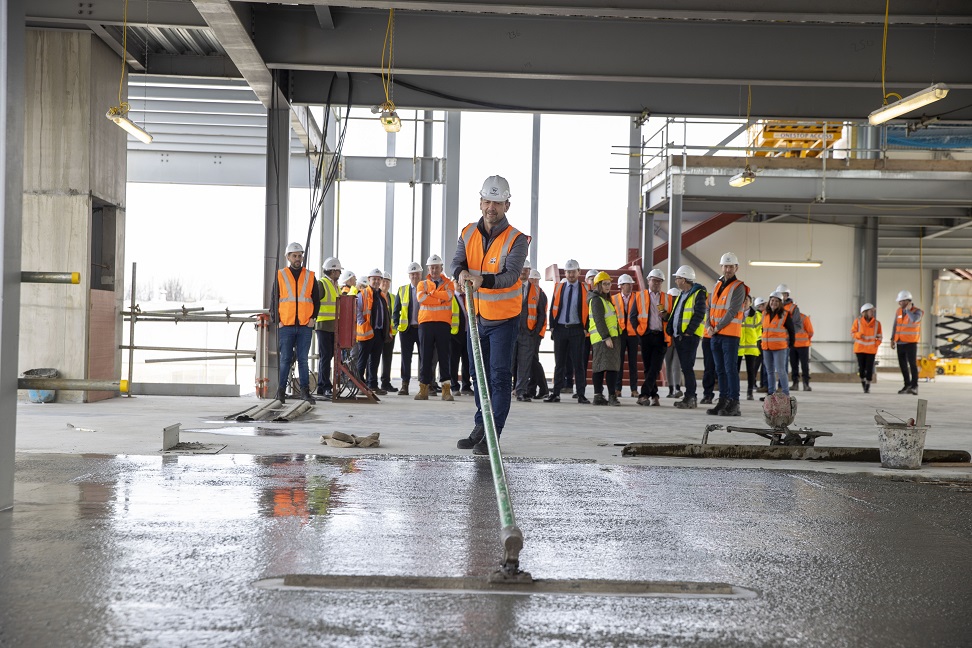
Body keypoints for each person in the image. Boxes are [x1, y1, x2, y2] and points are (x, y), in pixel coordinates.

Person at [452, 175, 528, 455]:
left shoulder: (517, 239)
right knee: (476, 376)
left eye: (497, 202)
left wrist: (482, 280)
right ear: (480, 202)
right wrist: (460, 273)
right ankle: (481, 426)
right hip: (476, 318)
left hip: (503, 321)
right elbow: (456, 262)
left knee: (497, 377)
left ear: (507, 205)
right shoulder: (468, 232)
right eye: (487, 201)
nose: (490, 207)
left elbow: (510, 276)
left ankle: (493, 434)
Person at [270, 242, 321, 404]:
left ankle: (305, 392)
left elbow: (316, 300)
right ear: (288, 257)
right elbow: (274, 299)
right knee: (285, 359)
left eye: (300, 256)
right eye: (294, 256)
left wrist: (313, 318)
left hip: (305, 325)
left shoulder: (310, 276)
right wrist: (277, 321)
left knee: (303, 360)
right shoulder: (281, 275)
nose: (297, 259)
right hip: (286, 324)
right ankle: (281, 392)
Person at [705, 252, 748, 417]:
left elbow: (732, 311)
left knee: (730, 369)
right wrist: (709, 325)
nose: (728, 269)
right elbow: (709, 307)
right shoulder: (717, 285)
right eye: (725, 266)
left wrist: (717, 327)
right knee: (720, 370)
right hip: (715, 334)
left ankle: (734, 403)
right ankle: (723, 401)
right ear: (721, 267)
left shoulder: (739, 287)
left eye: (731, 266)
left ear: (736, 267)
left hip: (729, 335)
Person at [544, 259, 590, 404]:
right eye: (568, 272)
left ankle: (581, 394)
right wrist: (552, 327)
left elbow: (589, 310)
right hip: (560, 329)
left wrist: (585, 329)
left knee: (579, 364)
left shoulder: (585, 289)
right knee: (559, 363)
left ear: (579, 272)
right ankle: (555, 393)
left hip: (577, 329)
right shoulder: (559, 288)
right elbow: (553, 308)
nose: (570, 275)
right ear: (565, 273)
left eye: (573, 272)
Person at [415, 254, 456, 401]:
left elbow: (450, 296)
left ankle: (446, 390)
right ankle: (423, 389)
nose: (434, 270)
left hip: (443, 324)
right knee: (425, 357)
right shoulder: (422, 284)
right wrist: (440, 298)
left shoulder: (449, 283)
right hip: (426, 323)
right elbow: (421, 298)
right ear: (428, 268)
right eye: (432, 267)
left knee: (444, 356)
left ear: (441, 268)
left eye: (436, 267)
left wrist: (432, 295)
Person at [667, 265, 707, 409]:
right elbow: (678, 314)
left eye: (677, 278)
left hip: (688, 337)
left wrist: (689, 331)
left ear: (683, 279)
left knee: (687, 368)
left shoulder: (698, 293)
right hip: (680, 336)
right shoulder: (683, 294)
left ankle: (691, 397)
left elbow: (699, 314)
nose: (676, 280)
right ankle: (689, 396)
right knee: (685, 367)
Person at [637, 268, 670, 407]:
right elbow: (633, 316)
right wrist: (639, 331)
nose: (656, 283)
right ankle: (654, 395)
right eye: (654, 280)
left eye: (659, 281)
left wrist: (666, 315)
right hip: (646, 335)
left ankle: (644, 394)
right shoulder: (640, 296)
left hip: (661, 336)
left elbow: (671, 318)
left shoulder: (667, 298)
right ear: (648, 281)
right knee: (648, 367)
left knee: (655, 368)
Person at [588, 271, 622, 406]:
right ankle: (606, 396)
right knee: (601, 368)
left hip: (610, 338)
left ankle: (601, 396)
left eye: (609, 284)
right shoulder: (596, 300)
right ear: (598, 285)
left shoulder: (605, 300)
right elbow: (599, 320)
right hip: (603, 339)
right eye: (605, 284)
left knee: (610, 367)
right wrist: (606, 337)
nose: (608, 286)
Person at [355, 268, 391, 394]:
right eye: (374, 279)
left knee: (375, 361)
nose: (376, 281)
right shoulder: (363, 294)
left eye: (378, 279)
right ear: (369, 280)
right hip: (366, 332)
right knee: (363, 360)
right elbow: (357, 310)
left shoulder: (382, 296)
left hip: (379, 333)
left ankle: (373, 385)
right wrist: (362, 323)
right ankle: (359, 386)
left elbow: (386, 315)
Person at [514, 259, 545, 402]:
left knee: (525, 363)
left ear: (529, 271)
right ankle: (504, 389)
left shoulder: (538, 291)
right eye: (522, 268)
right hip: (510, 331)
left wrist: (536, 332)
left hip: (528, 332)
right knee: (507, 362)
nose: (524, 271)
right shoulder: (510, 286)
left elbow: (541, 314)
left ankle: (521, 391)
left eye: (526, 269)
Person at [392, 261, 423, 396]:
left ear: (420, 274)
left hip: (423, 329)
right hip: (406, 330)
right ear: (409, 276)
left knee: (424, 358)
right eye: (412, 274)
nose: (414, 276)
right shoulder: (402, 289)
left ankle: (425, 385)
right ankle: (405, 385)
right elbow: (396, 310)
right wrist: (395, 325)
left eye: (417, 274)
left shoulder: (426, 288)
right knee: (406, 358)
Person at [314, 256, 342, 399]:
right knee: (325, 356)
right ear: (332, 271)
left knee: (329, 356)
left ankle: (321, 386)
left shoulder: (335, 285)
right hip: (324, 325)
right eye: (338, 270)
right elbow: (316, 302)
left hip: (332, 326)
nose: (340, 273)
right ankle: (325, 386)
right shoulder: (322, 284)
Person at [612, 274, 643, 398]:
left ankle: (634, 389)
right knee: (618, 362)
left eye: (631, 284)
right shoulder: (614, 299)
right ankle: (617, 388)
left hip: (633, 334)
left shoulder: (637, 298)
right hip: (620, 333)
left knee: (633, 363)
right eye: (627, 284)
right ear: (621, 286)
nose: (630, 286)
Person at [761, 291, 796, 396]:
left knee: (781, 371)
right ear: (769, 301)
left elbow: (791, 330)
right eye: (772, 300)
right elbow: (763, 330)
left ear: (780, 303)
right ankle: (771, 393)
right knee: (769, 371)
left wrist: (791, 344)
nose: (774, 303)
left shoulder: (784, 314)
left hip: (779, 348)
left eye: (777, 301)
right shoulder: (764, 314)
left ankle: (785, 394)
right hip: (766, 347)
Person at [891, 289, 923, 395]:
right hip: (900, 342)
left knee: (912, 365)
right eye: (899, 301)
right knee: (903, 366)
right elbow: (895, 325)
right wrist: (892, 339)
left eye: (901, 301)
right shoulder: (898, 311)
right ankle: (907, 385)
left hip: (910, 343)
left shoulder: (918, 311)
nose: (899, 303)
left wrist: (908, 310)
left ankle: (914, 386)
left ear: (907, 301)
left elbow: (914, 320)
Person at [776, 283, 806, 391]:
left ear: (787, 295)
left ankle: (781, 387)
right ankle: (768, 386)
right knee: (769, 366)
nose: (783, 296)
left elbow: (797, 325)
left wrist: (788, 334)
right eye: (781, 294)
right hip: (772, 340)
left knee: (783, 364)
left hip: (785, 340)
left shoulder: (793, 308)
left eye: (784, 294)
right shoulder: (773, 306)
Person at [526, 269, 549, 399]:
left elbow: (541, 315)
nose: (533, 281)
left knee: (533, 361)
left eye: (535, 279)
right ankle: (532, 389)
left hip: (535, 333)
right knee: (531, 361)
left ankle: (543, 388)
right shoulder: (530, 292)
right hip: (530, 332)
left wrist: (536, 332)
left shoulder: (540, 294)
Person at [852, 303, 882, 393]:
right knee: (861, 368)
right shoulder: (857, 322)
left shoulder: (877, 323)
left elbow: (880, 336)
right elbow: (853, 333)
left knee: (869, 369)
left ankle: (868, 384)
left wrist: (876, 343)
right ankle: (863, 381)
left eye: (873, 311)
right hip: (860, 349)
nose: (872, 313)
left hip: (871, 350)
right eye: (871, 311)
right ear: (864, 312)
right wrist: (860, 335)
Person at [737, 294, 762, 401]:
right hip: (738, 346)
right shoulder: (736, 313)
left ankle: (750, 391)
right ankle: (735, 391)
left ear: (750, 302)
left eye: (746, 300)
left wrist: (754, 339)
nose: (745, 302)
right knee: (735, 370)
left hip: (751, 346)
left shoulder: (756, 315)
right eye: (743, 300)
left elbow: (759, 330)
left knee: (751, 371)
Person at [450, 290, 473, 395]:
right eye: (457, 282)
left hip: (468, 334)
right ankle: (454, 386)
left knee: (467, 361)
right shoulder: (451, 297)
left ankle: (466, 386)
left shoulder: (469, 296)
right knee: (453, 361)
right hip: (454, 334)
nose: (460, 284)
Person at [379, 271, 397, 393]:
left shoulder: (393, 297)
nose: (385, 283)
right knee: (373, 358)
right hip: (378, 332)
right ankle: (371, 382)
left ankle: (385, 383)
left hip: (390, 333)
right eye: (383, 280)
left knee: (387, 358)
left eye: (387, 281)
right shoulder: (376, 296)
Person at [663, 287, 682, 399]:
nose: (674, 299)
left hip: (678, 340)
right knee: (668, 365)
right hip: (667, 340)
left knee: (676, 365)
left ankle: (677, 388)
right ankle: (671, 389)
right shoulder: (664, 308)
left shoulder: (681, 309)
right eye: (672, 297)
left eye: (676, 297)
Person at [792, 308, 813, 391]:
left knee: (802, 365)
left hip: (802, 345)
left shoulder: (804, 317)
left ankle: (803, 384)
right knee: (796, 365)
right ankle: (799, 384)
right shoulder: (787, 317)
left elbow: (810, 332)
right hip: (793, 345)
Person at [753, 297, 769, 392]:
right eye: (761, 305)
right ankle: (753, 382)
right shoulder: (758, 314)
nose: (763, 307)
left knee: (762, 364)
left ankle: (761, 383)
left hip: (761, 340)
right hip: (759, 341)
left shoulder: (762, 314)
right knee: (757, 363)